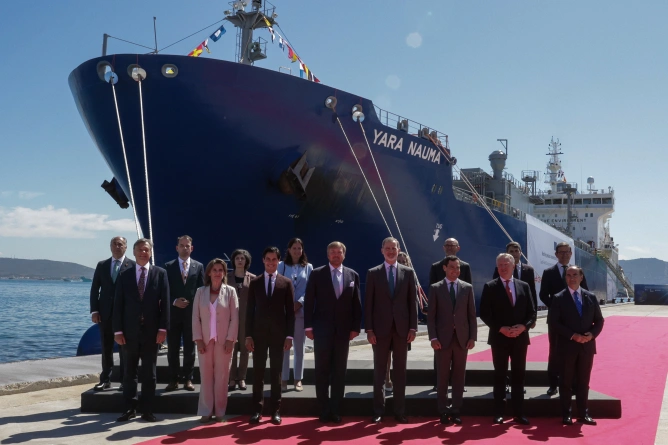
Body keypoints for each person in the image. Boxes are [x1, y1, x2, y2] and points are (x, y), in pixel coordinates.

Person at [304, 241, 362, 424]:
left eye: (339, 252)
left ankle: (336, 409)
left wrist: (355, 327)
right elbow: (309, 301)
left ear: (344, 254)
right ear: (328, 254)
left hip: (343, 331)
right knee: (321, 370)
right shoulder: (317, 274)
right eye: (332, 252)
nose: (336, 255)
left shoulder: (353, 275)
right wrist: (308, 327)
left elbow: (356, 304)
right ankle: (323, 409)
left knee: (339, 371)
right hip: (322, 330)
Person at [113, 238, 170, 423]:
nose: (143, 253)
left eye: (146, 250)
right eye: (140, 250)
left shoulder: (160, 274)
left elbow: (165, 304)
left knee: (149, 374)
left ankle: (147, 410)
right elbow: (118, 304)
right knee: (129, 373)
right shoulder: (124, 274)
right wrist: (117, 331)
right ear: (134, 252)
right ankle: (129, 409)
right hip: (129, 333)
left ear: (150, 253)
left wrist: (163, 329)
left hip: (152, 333)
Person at [365, 237, 418, 424]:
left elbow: (412, 302)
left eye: (393, 248)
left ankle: (399, 411)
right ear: (382, 250)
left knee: (400, 372)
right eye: (387, 248)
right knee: (380, 371)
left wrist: (413, 327)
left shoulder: (408, 273)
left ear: (398, 249)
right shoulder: (373, 273)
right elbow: (369, 303)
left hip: (402, 330)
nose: (390, 251)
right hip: (380, 330)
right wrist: (369, 330)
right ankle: (378, 410)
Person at [480, 253, 535, 425]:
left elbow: (532, 312)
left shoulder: (524, 286)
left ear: (513, 266)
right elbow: (484, 313)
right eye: (500, 265)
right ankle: (499, 412)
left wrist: (524, 327)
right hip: (499, 338)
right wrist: (500, 328)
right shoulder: (490, 287)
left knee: (519, 375)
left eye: (506, 264)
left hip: (520, 338)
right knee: (500, 375)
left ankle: (519, 413)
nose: (503, 268)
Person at [246, 246, 295, 426]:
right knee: (258, 374)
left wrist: (289, 336)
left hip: (278, 335)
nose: (271, 262)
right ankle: (256, 410)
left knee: (276, 374)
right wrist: (248, 335)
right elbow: (249, 311)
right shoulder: (255, 282)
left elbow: (290, 313)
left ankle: (275, 410)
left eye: (274, 259)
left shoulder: (286, 283)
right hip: (258, 335)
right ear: (263, 260)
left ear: (278, 261)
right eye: (268, 259)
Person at [549, 266, 604, 426]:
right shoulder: (559, 298)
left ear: (581, 277)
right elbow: (554, 322)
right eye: (568, 275)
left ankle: (583, 413)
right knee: (565, 381)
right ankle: (567, 414)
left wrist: (591, 335)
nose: (571, 278)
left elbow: (599, 320)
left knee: (583, 381)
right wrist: (573, 335)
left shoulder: (590, 297)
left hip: (586, 347)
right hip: (567, 347)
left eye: (575, 275)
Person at [427, 255, 477, 425]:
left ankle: (456, 410)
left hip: (462, 340)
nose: (455, 271)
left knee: (459, 376)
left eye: (458, 268)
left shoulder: (467, 288)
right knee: (442, 377)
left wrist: (472, 337)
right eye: (452, 267)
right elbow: (431, 317)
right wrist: (433, 337)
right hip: (442, 340)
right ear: (444, 268)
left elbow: (472, 316)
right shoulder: (435, 288)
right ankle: (442, 410)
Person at [192, 258, 239, 423]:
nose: (218, 273)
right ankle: (206, 410)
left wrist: (231, 339)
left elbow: (235, 318)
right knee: (205, 376)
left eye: (221, 270)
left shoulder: (231, 292)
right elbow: (195, 318)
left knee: (222, 377)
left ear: (224, 273)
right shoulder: (200, 292)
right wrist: (198, 339)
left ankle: (219, 411)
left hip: (224, 342)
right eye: (215, 270)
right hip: (205, 341)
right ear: (209, 273)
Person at [540, 241, 589, 396]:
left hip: (575, 320)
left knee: (573, 352)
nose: (564, 254)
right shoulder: (549, 272)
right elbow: (543, 295)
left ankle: (573, 384)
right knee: (554, 351)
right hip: (556, 321)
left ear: (571, 253)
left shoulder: (577, 272)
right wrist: (557, 309)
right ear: (556, 254)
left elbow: (585, 293)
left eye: (567, 251)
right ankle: (553, 384)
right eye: (561, 252)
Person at [90, 236, 134, 391]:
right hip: (105, 314)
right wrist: (94, 310)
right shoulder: (102, 265)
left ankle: (124, 380)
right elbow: (95, 289)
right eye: (114, 244)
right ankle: (105, 379)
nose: (117, 246)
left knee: (125, 349)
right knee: (106, 347)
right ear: (110, 247)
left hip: (125, 315)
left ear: (126, 247)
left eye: (120, 244)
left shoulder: (132, 266)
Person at [428, 238, 473, 390]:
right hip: (443, 320)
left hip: (459, 320)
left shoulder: (465, 267)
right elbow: (432, 290)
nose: (449, 247)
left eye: (452, 245)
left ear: (458, 248)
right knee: (440, 356)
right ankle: (438, 383)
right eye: (447, 245)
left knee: (459, 358)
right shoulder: (436, 267)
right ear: (443, 248)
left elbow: (468, 291)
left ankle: (458, 384)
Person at [164, 235, 205, 392]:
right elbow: (164, 290)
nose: (185, 248)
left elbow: (202, 290)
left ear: (191, 248)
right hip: (173, 315)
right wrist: (174, 301)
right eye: (182, 245)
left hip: (191, 315)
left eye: (187, 246)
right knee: (172, 348)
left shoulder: (198, 266)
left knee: (189, 348)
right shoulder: (168, 266)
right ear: (177, 248)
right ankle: (173, 379)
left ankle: (188, 379)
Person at [279, 238, 313, 392]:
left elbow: (310, 289)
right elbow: (278, 285)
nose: (297, 251)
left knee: (300, 347)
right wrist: (287, 305)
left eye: (299, 248)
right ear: (289, 249)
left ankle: (298, 379)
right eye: (294, 248)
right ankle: (284, 379)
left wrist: (299, 302)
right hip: (284, 313)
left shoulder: (308, 267)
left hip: (300, 312)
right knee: (284, 346)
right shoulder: (281, 265)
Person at [385, 252, 415, 394]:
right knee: (386, 354)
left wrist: (413, 327)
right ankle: (387, 379)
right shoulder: (384, 274)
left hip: (403, 324)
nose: (402, 262)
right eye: (400, 260)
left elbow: (412, 303)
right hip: (386, 323)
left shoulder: (409, 276)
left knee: (400, 357)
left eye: (404, 261)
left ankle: (399, 382)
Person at [228, 249, 255, 392]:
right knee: (231, 347)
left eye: (242, 258)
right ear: (233, 260)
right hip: (229, 318)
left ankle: (242, 378)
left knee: (245, 348)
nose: (240, 260)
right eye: (237, 258)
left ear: (246, 261)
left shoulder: (253, 278)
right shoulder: (226, 277)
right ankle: (232, 378)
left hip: (246, 318)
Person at [493, 241, 537, 316]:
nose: (514, 253)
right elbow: (495, 291)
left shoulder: (529, 270)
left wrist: (534, 315)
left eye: (516, 251)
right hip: (504, 312)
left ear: (520, 253)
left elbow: (532, 293)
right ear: (507, 253)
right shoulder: (499, 269)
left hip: (523, 312)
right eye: (511, 251)